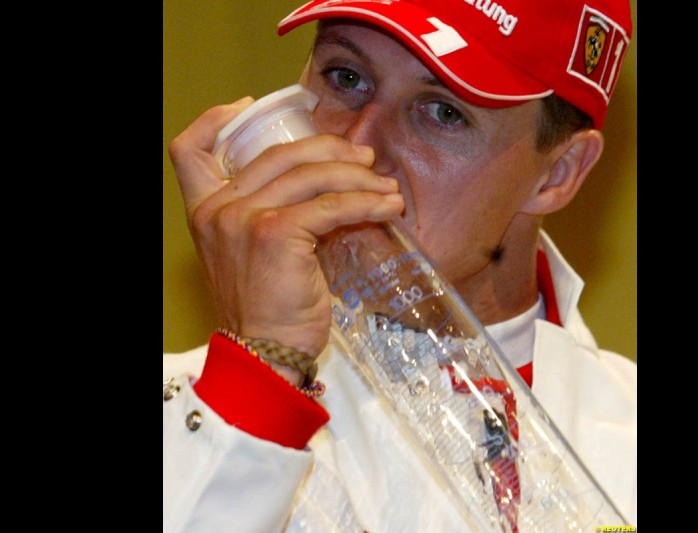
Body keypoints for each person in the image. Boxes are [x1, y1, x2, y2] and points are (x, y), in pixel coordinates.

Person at [163, 0, 636, 531]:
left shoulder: (626, 440)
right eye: (346, 78)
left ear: (557, 175)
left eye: (443, 112)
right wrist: (262, 376)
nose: (357, 148)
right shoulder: (186, 418)